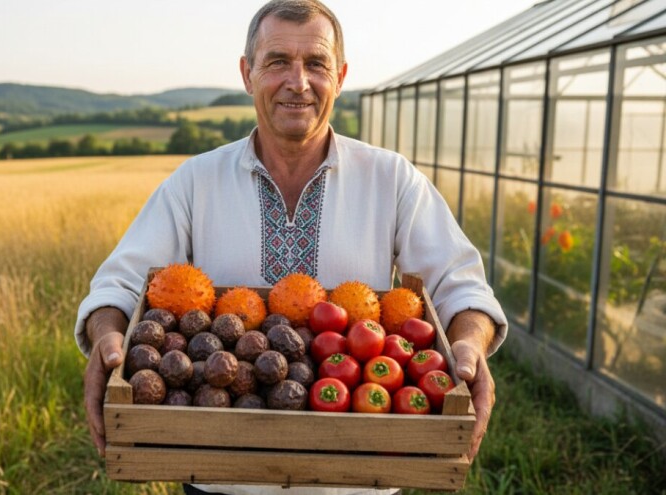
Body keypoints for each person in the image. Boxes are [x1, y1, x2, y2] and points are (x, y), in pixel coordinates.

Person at [75, 1, 508, 494]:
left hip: (357, 478)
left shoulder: (391, 179)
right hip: (220, 476)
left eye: (316, 64)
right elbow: (121, 281)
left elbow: (459, 282)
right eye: (278, 60)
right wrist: (107, 334)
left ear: (340, 76)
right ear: (247, 73)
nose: (298, 82)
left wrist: (469, 345)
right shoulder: (195, 181)